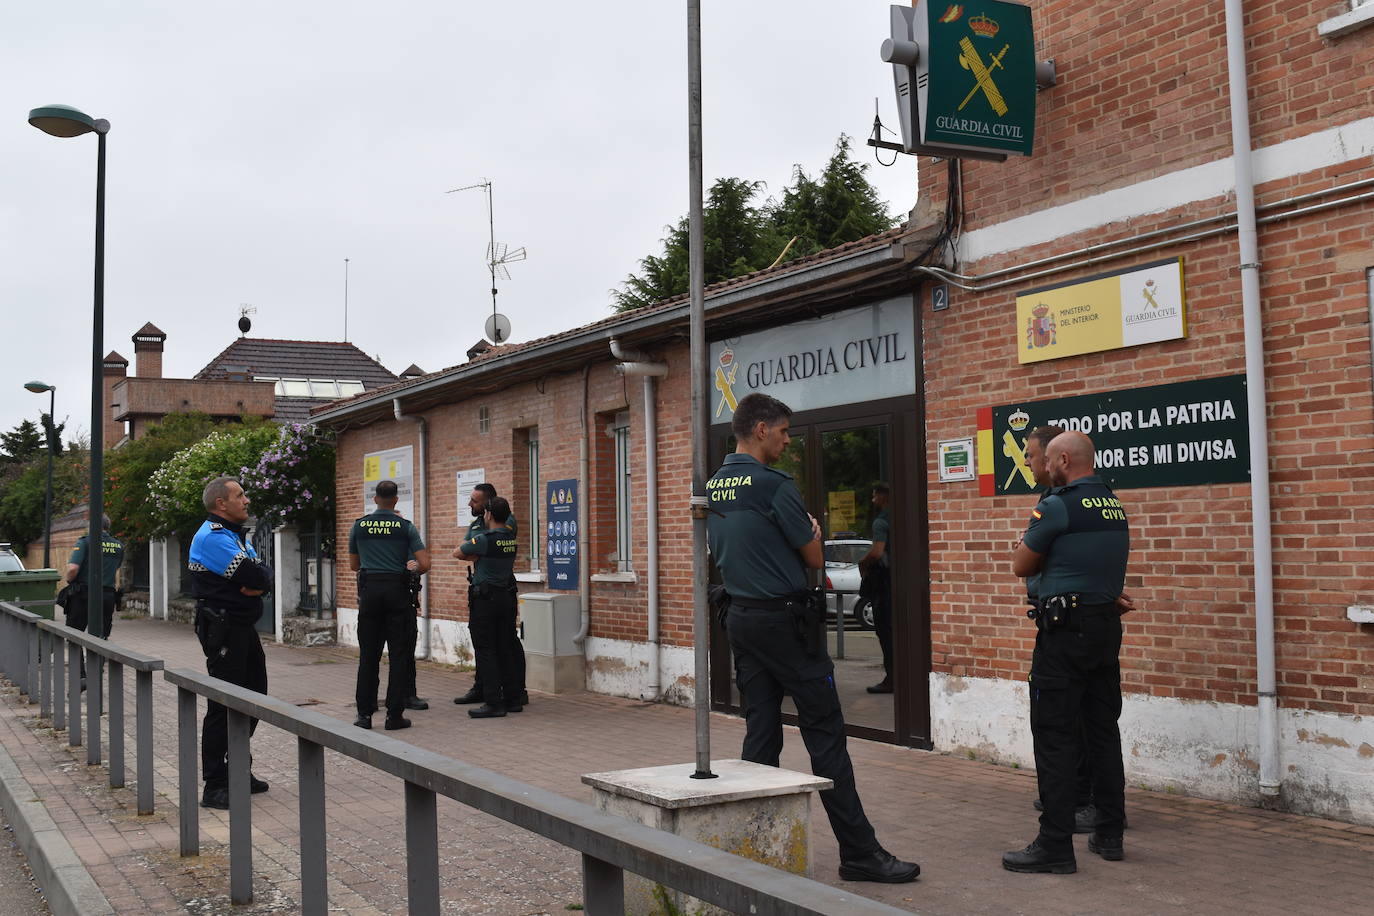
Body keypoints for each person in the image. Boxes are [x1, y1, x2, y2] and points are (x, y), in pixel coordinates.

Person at [707, 393, 919, 884]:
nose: (786, 440)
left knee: (760, 734)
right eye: (782, 431)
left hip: (742, 617)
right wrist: (814, 533)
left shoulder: (714, 485)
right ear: (760, 429)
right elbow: (814, 558)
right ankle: (860, 854)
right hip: (788, 625)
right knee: (825, 736)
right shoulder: (774, 484)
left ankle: (752, 848)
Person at [1003, 431, 1131, 873]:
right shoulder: (1113, 505)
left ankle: (1055, 845)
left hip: (1063, 634)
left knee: (1055, 736)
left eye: (1048, 460)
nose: (1046, 468)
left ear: (1062, 460)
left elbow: (1022, 563)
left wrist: (1022, 546)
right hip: (1104, 628)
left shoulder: (1058, 503)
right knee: (1102, 731)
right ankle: (1110, 833)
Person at [189, 476, 274, 811]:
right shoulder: (211, 537)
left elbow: (263, 575)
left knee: (254, 696)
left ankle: (237, 766)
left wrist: (257, 582)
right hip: (222, 629)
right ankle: (215, 784)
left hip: (241, 627)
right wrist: (256, 582)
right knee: (223, 703)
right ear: (221, 503)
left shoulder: (233, 536)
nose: (247, 500)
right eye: (240, 495)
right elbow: (254, 577)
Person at [349, 480, 431, 731]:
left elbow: (354, 565)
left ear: (376, 499)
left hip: (370, 593)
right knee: (398, 656)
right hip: (397, 593)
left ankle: (364, 715)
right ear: (396, 500)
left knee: (368, 657)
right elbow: (424, 563)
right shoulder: (405, 527)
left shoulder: (359, 526)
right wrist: (411, 566)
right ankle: (394, 716)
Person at [452, 483, 528, 708]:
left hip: (498, 589)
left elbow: (471, 549)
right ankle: (485, 688)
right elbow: (468, 545)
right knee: (488, 644)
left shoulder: (505, 522)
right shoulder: (477, 524)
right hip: (487, 587)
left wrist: (479, 552)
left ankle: (511, 692)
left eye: (475, 501)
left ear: (488, 507)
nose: (470, 504)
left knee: (503, 643)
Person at [857, 484, 893, 694]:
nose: (872, 500)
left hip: (883, 582)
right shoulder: (900, 516)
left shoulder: (881, 521)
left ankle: (892, 678)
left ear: (882, 496)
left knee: (885, 632)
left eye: (874, 496)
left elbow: (877, 552)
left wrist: (863, 563)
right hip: (898, 581)